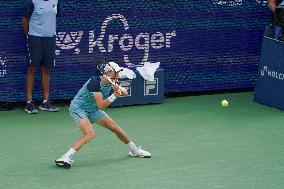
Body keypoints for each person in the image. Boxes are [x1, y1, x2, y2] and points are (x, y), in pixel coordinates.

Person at [55, 62, 151, 168]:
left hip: (93, 109)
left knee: (116, 128)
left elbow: (125, 93)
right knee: (89, 134)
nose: (118, 75)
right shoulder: (95, 82)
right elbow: (101, 105)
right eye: (117, 72)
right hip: (79, 108)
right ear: (109, 73)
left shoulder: (113, 81)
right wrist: (114, 95)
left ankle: (134, 150)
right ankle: (65, 157)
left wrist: (120, 89)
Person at [21, 0, 60, 114]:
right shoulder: (32, 2)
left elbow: (55, 17)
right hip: (35, 39)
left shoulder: (56, 1)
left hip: (50, 39)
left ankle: (45, 102)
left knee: (47, 69)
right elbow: (25, 20)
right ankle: (29, 103)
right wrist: (30, 35)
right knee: (32, 69)